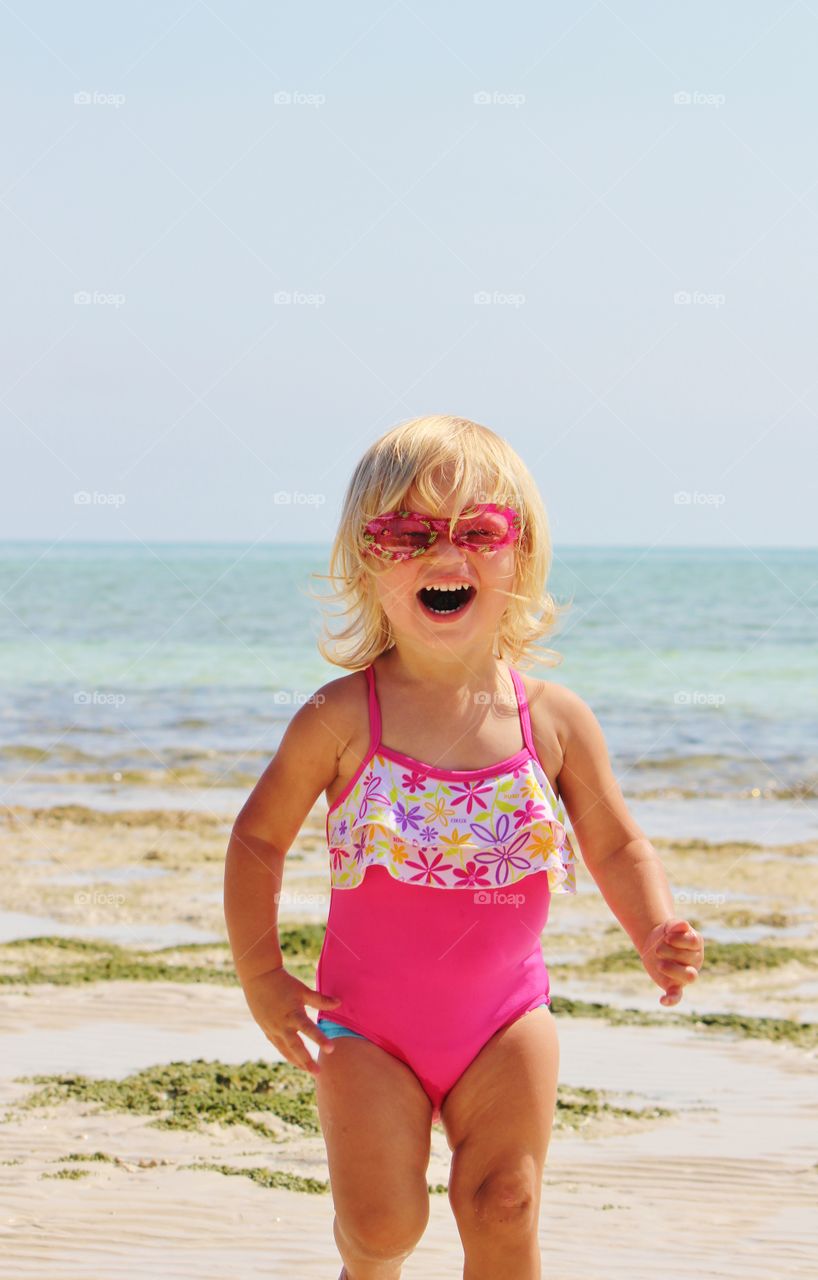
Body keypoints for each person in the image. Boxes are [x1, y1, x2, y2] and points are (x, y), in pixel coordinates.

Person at [223, 414, 705, 1280]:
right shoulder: (341, 718)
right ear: (368, 565)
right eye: (408, 534)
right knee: (381, 1227)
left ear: (521, 558)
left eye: (479, 532)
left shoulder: (552, 721)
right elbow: (258, 839)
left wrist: (655, 930)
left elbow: (618, 843)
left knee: (504, 1209)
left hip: (507, 1022)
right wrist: (262, 976)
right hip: (367, 1029)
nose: (446, 556)